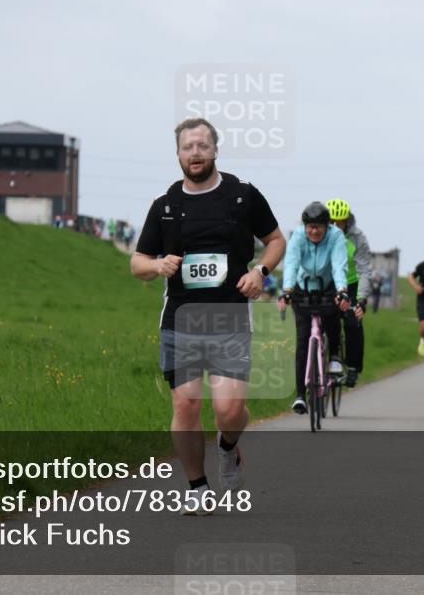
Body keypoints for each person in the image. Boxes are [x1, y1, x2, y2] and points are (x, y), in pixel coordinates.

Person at [131, 117, 284, 511]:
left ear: (215, 149)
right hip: (181, 317)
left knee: (229, 410)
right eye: (187, 147)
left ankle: (228, 447)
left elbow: (275, 240)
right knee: (185, 404)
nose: (195, 153)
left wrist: (260, 271)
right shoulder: (165, 206)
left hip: (230, 316)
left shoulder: (242, 196)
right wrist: (157, 265)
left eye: (202, 145)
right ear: (178, 154)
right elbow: (137, 263)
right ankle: (198, 487)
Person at [278, 202, 350, 413]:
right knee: (302, 341)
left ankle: (334, 355)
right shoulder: (298, 236)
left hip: (328, 286)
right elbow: (291, 263)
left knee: (332, 318)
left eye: (318, 226)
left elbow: (338, 265)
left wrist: (342, 290)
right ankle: (300, 395)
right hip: (302, 287)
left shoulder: (336, 236)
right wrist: (287, 290)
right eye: (310, 226)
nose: (314, 231)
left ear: (327, 226)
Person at [326, 198, 370, 387]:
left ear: (348, 220)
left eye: (341, 222)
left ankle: (352, 368)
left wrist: (361, 300)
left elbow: (364, 270)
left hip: (351, 284)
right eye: (332, 222)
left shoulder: (358, 237)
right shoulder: (319, 234)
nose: (336, 226)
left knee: (353, 322)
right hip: (327, 283)